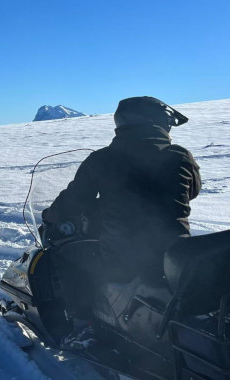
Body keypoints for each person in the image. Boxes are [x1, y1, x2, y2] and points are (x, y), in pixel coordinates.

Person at [42, 96, 200, 315]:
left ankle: (82, 323)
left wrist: (50, 216)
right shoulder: (180, 156)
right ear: (158, 123)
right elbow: (192, 191)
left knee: (66, 254)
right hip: (175, 257)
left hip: (122, 259)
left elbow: (73, 201)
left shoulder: (102, 159)